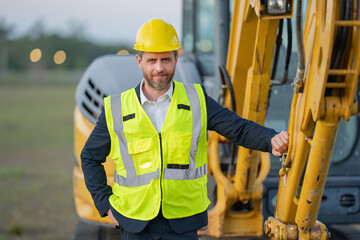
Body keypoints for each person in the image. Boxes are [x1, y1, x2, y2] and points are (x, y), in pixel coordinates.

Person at [81, 19, 289, 240]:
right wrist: (105, 204)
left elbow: (238, 129)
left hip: (183, 222)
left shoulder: (197, 100)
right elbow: (90, 157)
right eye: (152, 60)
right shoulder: (116, 108)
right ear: (139, 61)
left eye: (165, 60)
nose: (159, 67)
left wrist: (271, 138)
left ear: (176, 59)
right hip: (135, 223)